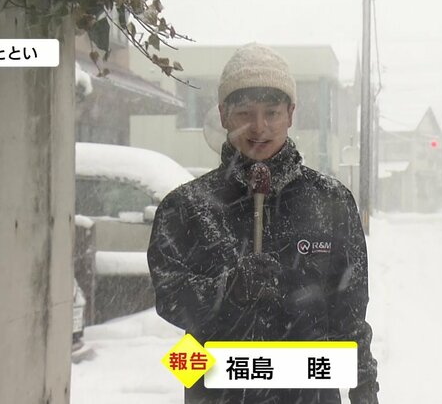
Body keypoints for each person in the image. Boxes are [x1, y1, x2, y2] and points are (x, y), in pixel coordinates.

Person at [147, 43, 379, 404]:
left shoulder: (330, 201)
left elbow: (349, 308)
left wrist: (363, 382)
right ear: (223, 115)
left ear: (291, 113)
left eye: (271, 112)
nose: (259, 127)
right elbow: (169, 298)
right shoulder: (187, 207)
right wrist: (229, 291)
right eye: (244, 113)